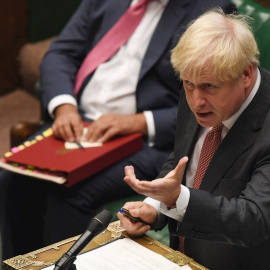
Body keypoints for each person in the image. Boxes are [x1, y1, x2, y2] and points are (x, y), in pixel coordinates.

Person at [0, 0, 235, 260]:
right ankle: (21, 265)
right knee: (12, 178)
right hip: (78, 121)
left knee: (68, 194)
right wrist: (64, 106)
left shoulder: (210, 9)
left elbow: (211, 104)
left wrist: (137, 122)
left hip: (146, 139)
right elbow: (62, 53)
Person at [118, 8, 270, 270]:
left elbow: (254, 220)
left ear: (245, 74)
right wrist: (156, 205)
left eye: (209, 86)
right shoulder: (198, 81)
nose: (196, 102)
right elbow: (185, 158)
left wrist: (177, 197)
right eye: (188, 84)